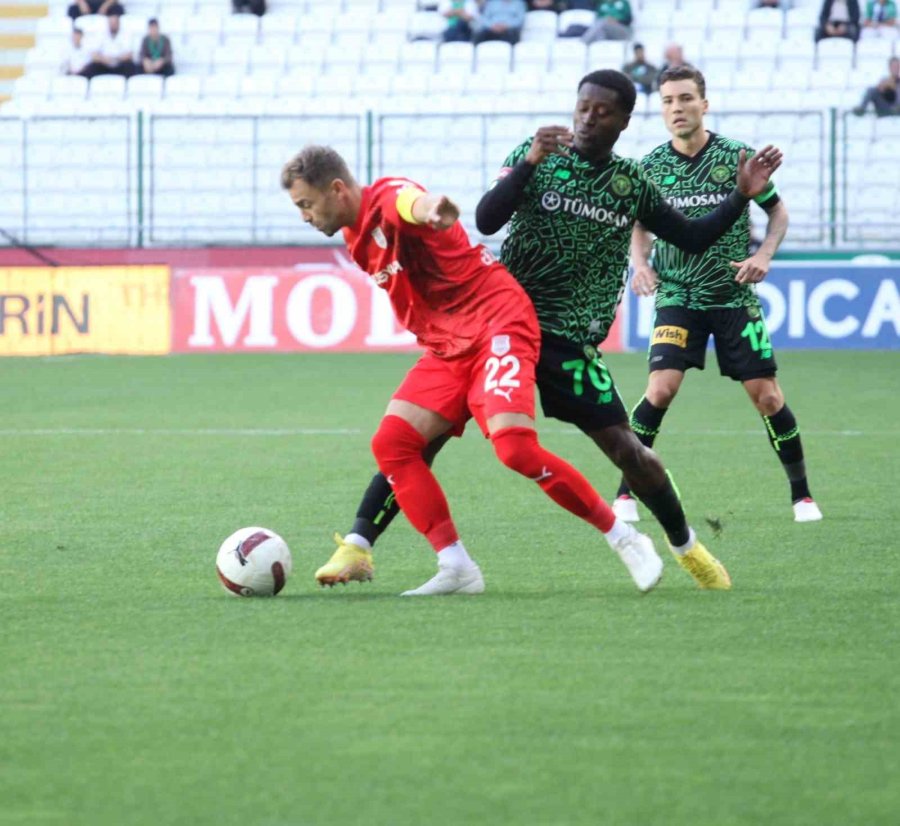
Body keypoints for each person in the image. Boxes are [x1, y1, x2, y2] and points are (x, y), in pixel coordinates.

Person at [312, 70, 784, 595]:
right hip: (498, 321)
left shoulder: (631, 183)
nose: (587, 118)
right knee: (419, 441)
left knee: (626, 450)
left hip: (566, 338)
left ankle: (686, 547)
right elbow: (487, 220)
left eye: (602, 111)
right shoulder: (538, 153)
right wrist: (528, 163)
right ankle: (361, 543)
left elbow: (692, 237)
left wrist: (740, 197)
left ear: (624, 121)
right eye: (582, 107)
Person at [282, 146, 668, 597]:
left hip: (497, 322)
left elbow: (414, 202)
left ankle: (625, 538)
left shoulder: (387, 198)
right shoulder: (355, 239)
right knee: (393, 444)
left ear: (337, 189)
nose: (305, 216)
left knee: (515, 450)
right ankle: (457, 566)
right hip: (449, 346)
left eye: (306, 204)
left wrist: (434, 210)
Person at [615, 65, 822, 524]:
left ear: (704, 105)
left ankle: (802, 495)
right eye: (668, 101)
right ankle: (625, 493)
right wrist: (641, 263)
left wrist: (765, 254)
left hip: (733, 297)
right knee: (661, 388)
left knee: (766, 395)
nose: (676, 108)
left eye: (685, 98)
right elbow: (639, 223)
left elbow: (778, 212)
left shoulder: (736, 157)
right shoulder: (650, 167)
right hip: (678, 295)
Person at [80, 13, 137, 78]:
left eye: (115, 23)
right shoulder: (100, 34)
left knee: (130, 66)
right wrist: (104, 59)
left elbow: (129, 55)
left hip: (120, 64)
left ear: (119, 23)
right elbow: (94, 55)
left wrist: (116, 59)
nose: (113, 25)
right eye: (111, 23)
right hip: (104, 64)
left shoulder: (126, 34)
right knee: (91, 68)